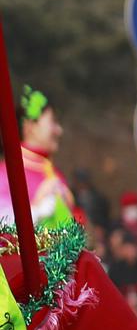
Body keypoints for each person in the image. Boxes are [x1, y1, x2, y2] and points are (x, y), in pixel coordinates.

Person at [0, 85, 77, 229]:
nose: (59, 130)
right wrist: (36, 209)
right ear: (30, 126)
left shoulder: (52, 171)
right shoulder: (6, 175)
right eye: (52, 122)